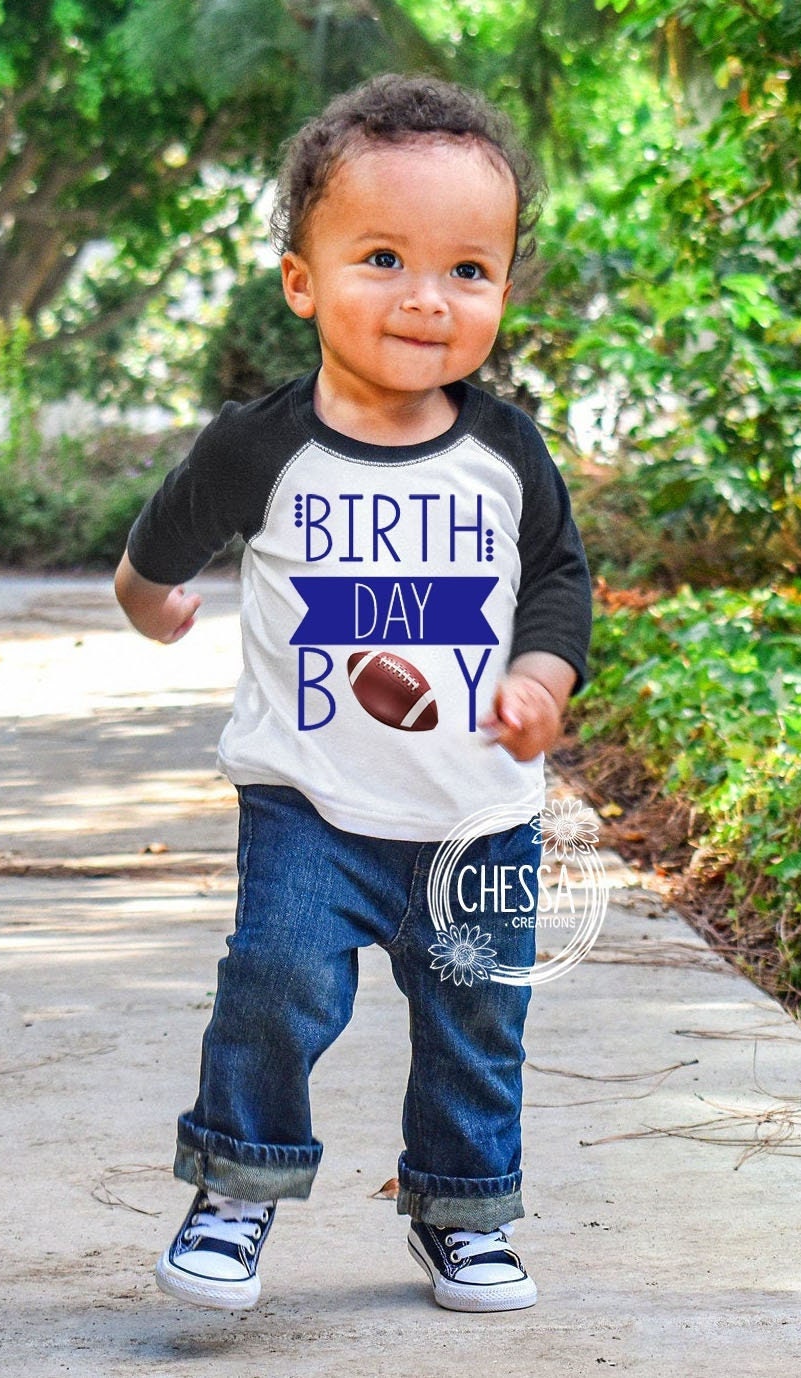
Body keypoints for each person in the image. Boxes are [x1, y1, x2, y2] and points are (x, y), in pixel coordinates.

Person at [115, 72, 592, 1314]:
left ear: (500, 288)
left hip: (477, 812)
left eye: (468, 270)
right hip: (310, 806)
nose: (426, 298)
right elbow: (156, 545)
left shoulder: (506, 452)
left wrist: (540, 675)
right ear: (301, 280)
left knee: (478, 1026)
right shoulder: (260, 448)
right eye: (382, 257)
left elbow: (554, 578)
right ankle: (236, 1189)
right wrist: (149, 601)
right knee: (271, 987)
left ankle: (464, 1212)